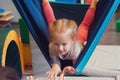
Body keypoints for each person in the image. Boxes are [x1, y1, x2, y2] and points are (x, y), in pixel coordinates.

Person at [42, 0, 98, 79]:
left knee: (85, 24)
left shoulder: (76, 49)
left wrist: (71, 69)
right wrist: (55, 67)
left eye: (64, 44)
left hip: (79, 38)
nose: (60, 48)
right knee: (50, 21)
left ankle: (93, 4)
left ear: (73, 42)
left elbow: (76, 67)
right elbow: (56, 63)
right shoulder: (52, 47)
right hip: (67, 38)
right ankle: (45, 1)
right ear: (52, 41)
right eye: (56, 44)